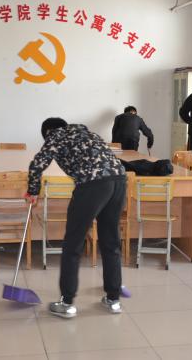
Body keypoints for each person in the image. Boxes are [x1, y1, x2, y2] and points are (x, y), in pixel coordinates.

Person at [25, 118, 126, 319]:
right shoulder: (90, 134)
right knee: (111, 242)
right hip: (119, 181)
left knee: (73, 244)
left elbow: (37, 164)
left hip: (92, 185)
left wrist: (32, 191)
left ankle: (67, 303)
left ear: (47, 132)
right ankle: (113, 300)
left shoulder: (55, 135)